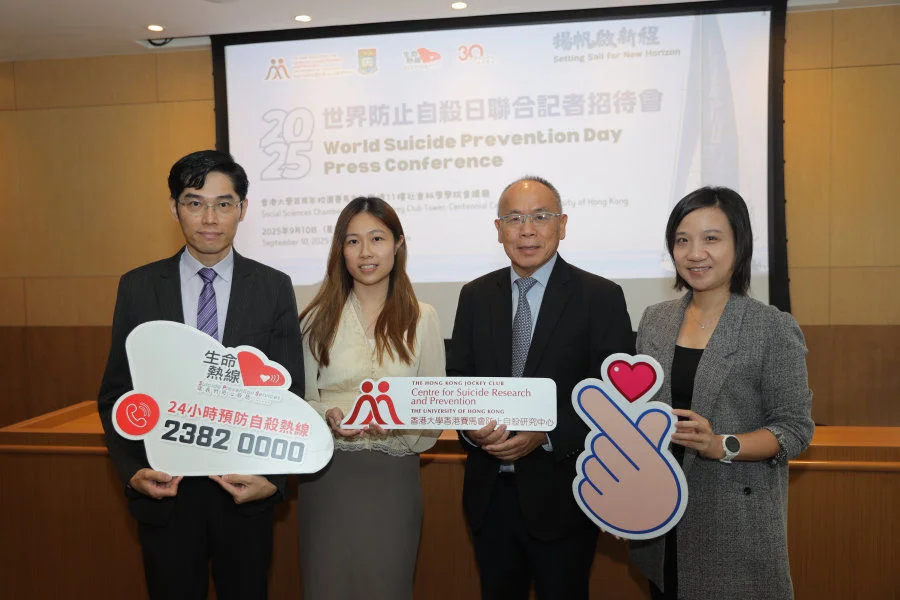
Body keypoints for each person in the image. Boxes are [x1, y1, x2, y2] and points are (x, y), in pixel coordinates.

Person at [97, 150, 303, 600]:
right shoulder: (139, 287)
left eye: (223, 204)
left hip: (243, 492)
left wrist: (272, 480)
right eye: (195, 202)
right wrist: (133, 471)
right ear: (175, 208)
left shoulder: (272, 286)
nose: (210, 218)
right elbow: (117, 392)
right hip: (166, 493)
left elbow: (291, 395)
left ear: (242, 209)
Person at [447, 176, 635, 600]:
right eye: (514, 219)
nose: (527, 230)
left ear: (562, 225)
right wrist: (471, 429)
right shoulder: (475, 296)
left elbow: (612, 397)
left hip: (564, 498)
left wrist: (547, 434)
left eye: (541, 217)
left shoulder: (600, 297)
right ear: (499, 230)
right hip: (489, 499)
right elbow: (459, 379)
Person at [629, 186, 815, 599]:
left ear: (739, 245)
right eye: (682, 240)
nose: (695, 253)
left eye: (711, 238)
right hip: (660, 520)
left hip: (733, 524)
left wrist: (720, 445)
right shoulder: (655, 320)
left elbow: (794, 430)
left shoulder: (771, 327)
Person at [297, 196, 444, 600]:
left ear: (398, 245)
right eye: (353, 241)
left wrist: (400, 420)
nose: (365, 252)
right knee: (326, 585)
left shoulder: (423, 317)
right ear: (340, 250)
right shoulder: (314, 318)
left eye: (377, 238)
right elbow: (301, 401)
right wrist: (328, 414)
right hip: (328, 477)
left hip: (394, 479)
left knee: (387, 585)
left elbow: (435, 408)